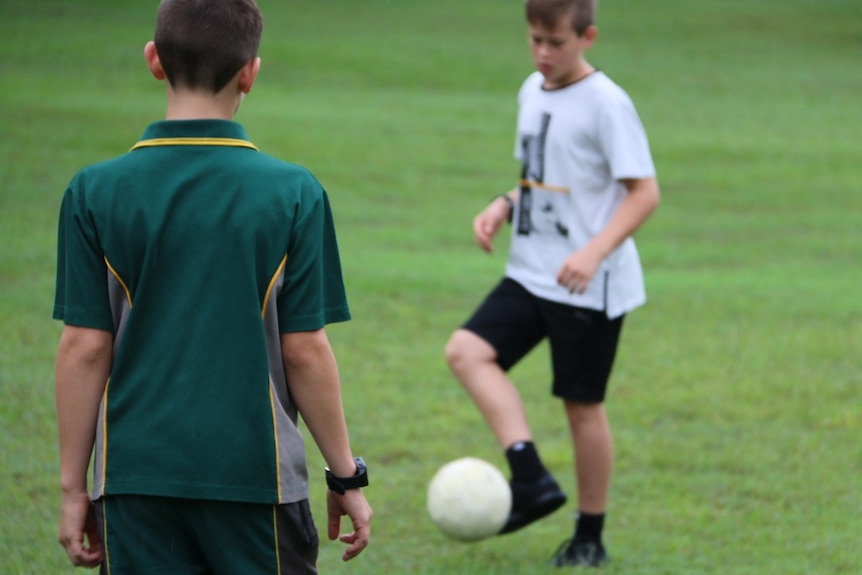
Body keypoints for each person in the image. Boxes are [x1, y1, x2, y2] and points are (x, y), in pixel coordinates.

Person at [52, 1, 372, 573]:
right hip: (257, 482)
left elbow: (84, 347)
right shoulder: (294, 193)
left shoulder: (93, 192)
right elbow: (305, 350)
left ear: (154, 61)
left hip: (134, 481)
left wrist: (74, 490)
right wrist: (345, 474)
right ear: (251, 71)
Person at [445, 0, 660, 568]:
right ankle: (531, 478)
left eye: (556, 42)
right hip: (531, 271)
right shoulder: (530, 90)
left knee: (581, 406)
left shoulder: (607, 104)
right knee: (467, 352)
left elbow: (644, 194)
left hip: (590, 285)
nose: (543, 52)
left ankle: (589, 535)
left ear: (587, 37)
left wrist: (593, 252)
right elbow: (542, 179)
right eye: (535, 40)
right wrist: (503, 204)